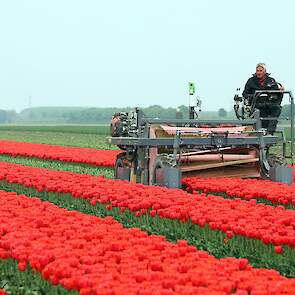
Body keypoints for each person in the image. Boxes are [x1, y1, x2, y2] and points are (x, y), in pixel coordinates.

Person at [242, 63, 284, 133]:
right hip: (257, 104)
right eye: (257, 70)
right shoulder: (251, 81)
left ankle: (269, 132)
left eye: (260, 71)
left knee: (277, 109)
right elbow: (245, 94)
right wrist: (255, 96)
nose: (258, 72)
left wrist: (280, 91)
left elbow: (276, 93)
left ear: (265, 71)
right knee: (260, 112)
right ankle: (263, 132)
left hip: (270, 103)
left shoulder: (271, 80)